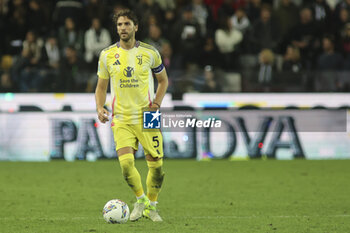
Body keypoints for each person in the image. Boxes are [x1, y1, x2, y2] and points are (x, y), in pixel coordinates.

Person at [95, 9, 168, 222]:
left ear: (136, 27)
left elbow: (163, 80)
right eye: (119, 25)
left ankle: (151, 207)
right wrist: (100, 107)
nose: (123, 28)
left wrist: (156, 103)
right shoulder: (107, 55)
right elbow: (101, 87)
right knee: (126, 165)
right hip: (121, 117)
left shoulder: (150, 52)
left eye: (127, 24)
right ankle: (141, 200)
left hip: (148, 115)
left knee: (157, 167)